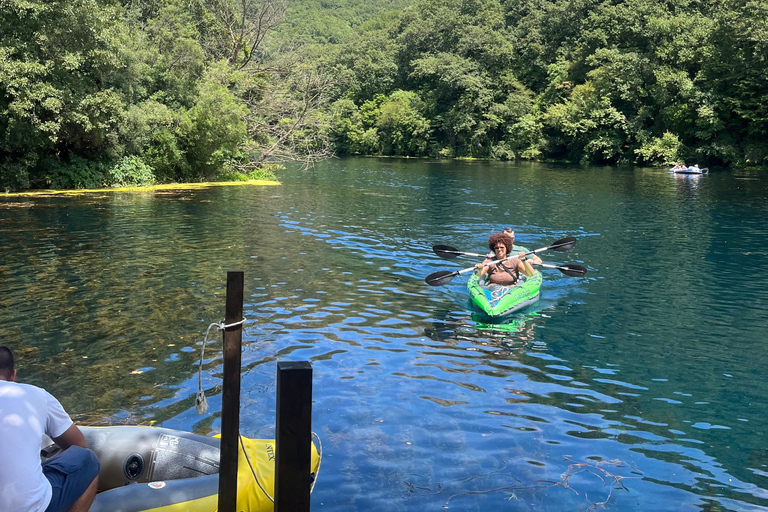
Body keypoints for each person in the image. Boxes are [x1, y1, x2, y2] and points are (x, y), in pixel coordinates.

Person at [0, 346, 100, 512]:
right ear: (13, 375)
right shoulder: (36, 395)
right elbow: (79, 445)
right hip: (31, 507)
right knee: (87, 460)